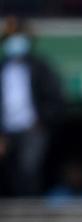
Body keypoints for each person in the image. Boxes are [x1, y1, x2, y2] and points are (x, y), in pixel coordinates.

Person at [0, 16, 64, 196]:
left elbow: (54, 98)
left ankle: (30, 209)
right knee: (10, 172)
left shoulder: (40, 67)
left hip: (33, 128)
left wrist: (42, 120)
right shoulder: (2, 68)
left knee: (29, 169)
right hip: (6, 131)